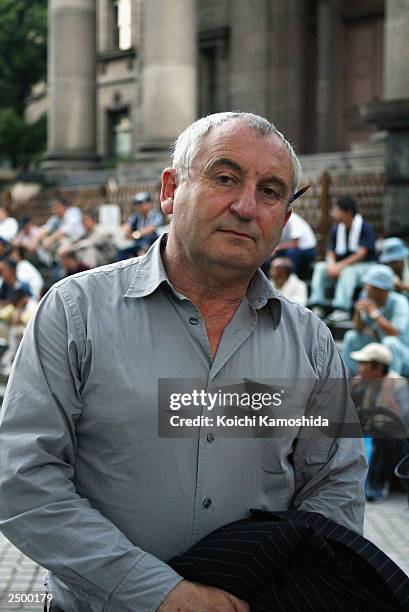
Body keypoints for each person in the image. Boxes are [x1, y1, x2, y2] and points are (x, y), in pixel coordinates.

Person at [0, 112, 366, 612]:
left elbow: (335, 487)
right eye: (225, 178)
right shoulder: (74, 313)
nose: (245, 207)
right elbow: (22, 477)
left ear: (285, 217)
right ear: (170, 190)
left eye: (271, 191)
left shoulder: (314, 344)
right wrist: (158, 593)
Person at [349, 343, 409, 501]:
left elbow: (403, 420)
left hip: (394, 440)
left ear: (378, 367)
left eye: (364, 364)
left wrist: (388, 395)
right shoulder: (361, 382)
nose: (359, 368)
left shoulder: (398, 383)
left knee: (385, 435)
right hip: (370, 431)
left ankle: (378, 484)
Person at [309, 196, 376, 321]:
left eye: (336, 210)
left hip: (365, 266)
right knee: (320, 268)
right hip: (341, 265)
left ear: (347, 212)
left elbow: (361, 253)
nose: (334, 214)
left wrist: (340, 266)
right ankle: (317, 305)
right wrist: (331, 265)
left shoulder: (365, 228)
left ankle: (341, 308)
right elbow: (330, 251)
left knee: (348, 271)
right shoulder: (336, 229)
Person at [341, 265, 409, 376]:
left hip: (403, 353)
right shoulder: (367, 298)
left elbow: (394, 333)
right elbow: (359, 329)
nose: (366, 288)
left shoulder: (399, 302)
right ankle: (347, 380)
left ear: (382, 290)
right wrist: (358, 313)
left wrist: (374, 313)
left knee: (390, 342)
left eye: (370, 286)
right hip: (379, 345)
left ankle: (390, 385)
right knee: (351, 337)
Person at [118, 191, 163, 259]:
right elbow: (127, 226)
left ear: (149, 204)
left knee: (145, 246)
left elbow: (152, 228)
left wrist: (136, 234)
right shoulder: (136, 216)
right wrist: (127, 230)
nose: (139, 206)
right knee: (122, 252)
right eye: (137, 204)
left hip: (152, 242)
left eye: (141, 203)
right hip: (138, 242)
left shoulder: (156, 215)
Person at [273, 211, 316, 279]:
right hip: (294, 249)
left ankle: (292, 278)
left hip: (307, 251)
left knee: (291, 252)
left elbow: (295, 244)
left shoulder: (293, 219)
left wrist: (277, 248)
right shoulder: (279, 221)